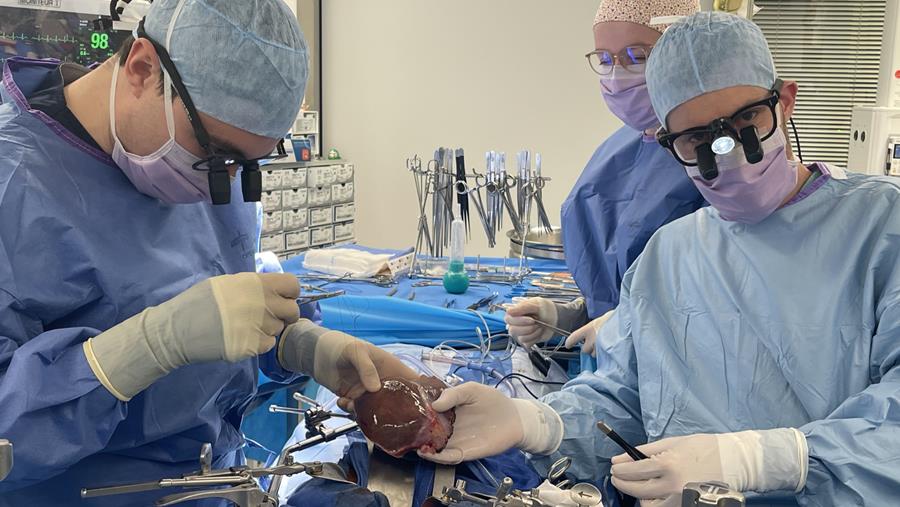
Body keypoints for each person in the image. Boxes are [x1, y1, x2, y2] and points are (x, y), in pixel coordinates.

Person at [423, 12, 900, 506]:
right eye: (697, 141)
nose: (729, 152)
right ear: (664, 143)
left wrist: (758, 460)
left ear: (784, 101)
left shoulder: (883, 226)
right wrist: (537, 423)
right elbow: (624, 398)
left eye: (746, 122)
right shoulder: (667, 256)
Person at [0, 0, 416, 504]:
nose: (229, 185)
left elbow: (219, 322)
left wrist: (300, 345)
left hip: (211, 483)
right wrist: (150, 345)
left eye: (252, 164)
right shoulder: (15, 186)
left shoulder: (216, 173)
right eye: (218, 156)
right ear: (141, 68)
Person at [505, 0, 706, 357]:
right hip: (611, 371)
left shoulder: (715, 159)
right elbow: (614, 293)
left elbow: (717, 305)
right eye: (606, 59)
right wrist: (562, 318)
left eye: (637, 56)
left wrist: (628, 323)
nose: (617, 75)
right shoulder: (619, 148)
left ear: (683, 53)